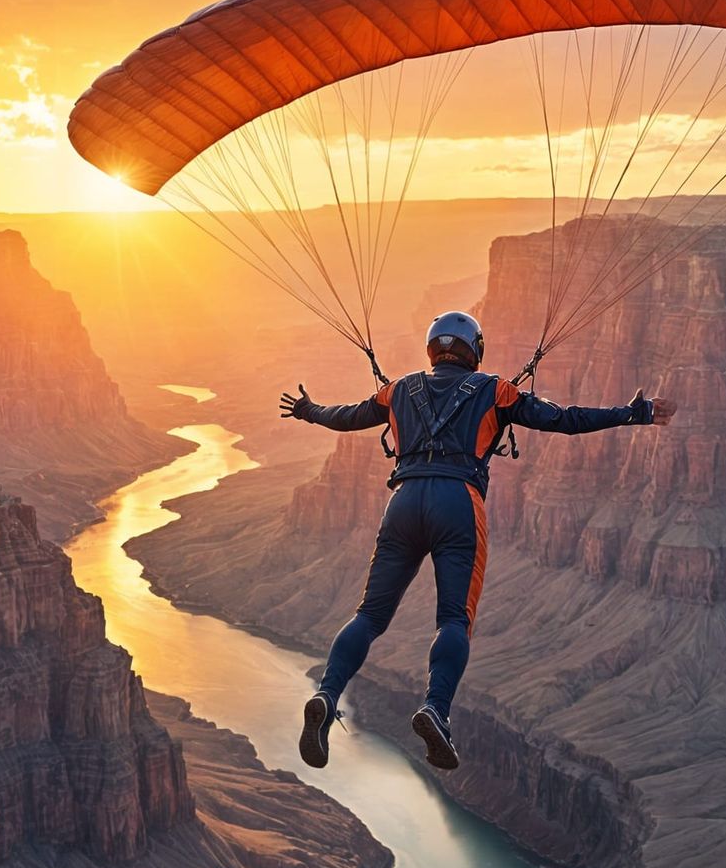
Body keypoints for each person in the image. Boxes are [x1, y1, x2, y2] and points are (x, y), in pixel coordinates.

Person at [281, 311, 672, 772]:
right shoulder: (496, 390)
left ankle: (327, 695)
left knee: (369, 615)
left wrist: (307, 410)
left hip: (404, 501)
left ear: (433, 349)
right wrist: (633, 413)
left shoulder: (398, 390)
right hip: (457, 504)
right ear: (474, 350)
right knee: (453, 619)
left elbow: (346, 417)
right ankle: (435, 709)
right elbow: (565, 420)